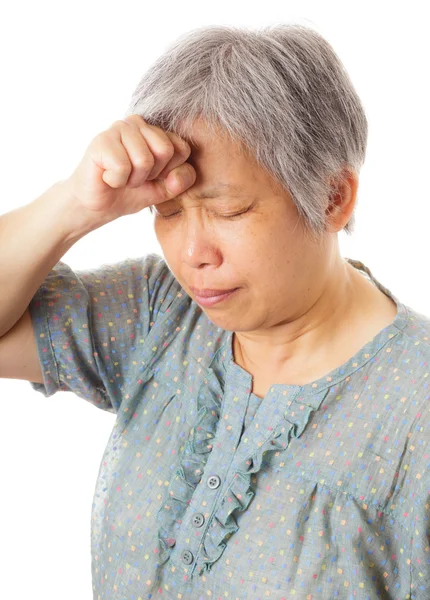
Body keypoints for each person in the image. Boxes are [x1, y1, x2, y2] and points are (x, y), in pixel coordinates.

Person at [0, 22, 429, 600]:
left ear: (332, 197)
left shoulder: (414, 410)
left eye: (228, 210)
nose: (192, 254)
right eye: (168, 213)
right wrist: (73, 204)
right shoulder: (161, 312)